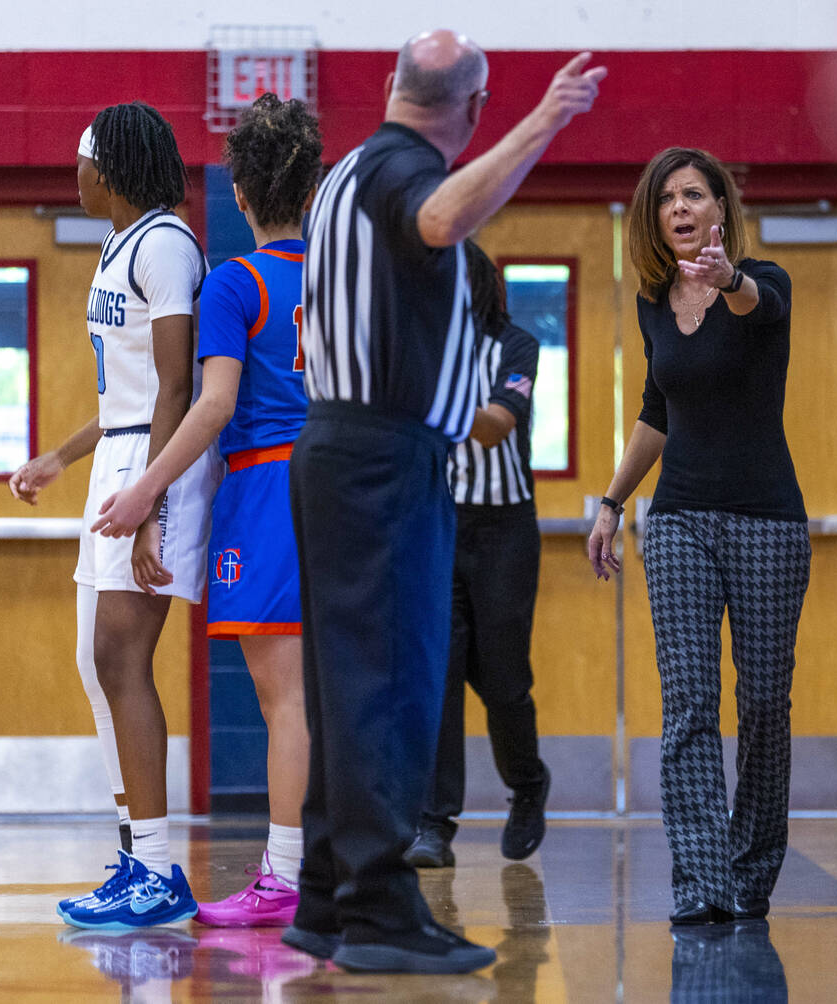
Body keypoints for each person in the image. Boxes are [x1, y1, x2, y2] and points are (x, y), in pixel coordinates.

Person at [286, 30, 603, 974]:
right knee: (391, 682)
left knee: (347, 687)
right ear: (470, 109)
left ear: (392, 85)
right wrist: (543, 122)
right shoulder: (400, 173)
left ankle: (326, 901)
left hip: (343, 451)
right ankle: (382, 913)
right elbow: (437, 217)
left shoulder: (344, 169)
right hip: (382, 457)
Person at [90, 93, 323, 927]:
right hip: (340, 485)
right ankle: (316, 865)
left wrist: (146, 488)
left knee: (283, 699)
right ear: (310, 186)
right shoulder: (332, 279)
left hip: (268, 487)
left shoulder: (235, 281)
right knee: (327, 695)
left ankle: (287, 875)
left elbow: (212, 401)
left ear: (242, 191)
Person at [8, 101, 221, 927]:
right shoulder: (119, 244)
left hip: (152, 467)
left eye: (84, 160)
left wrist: (148, 507)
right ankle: (135, 853)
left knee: (121, 658)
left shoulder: (167, 243)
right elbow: (126, 391)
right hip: (120, 456)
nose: (76, 173)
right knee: (94, 660)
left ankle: (160, 872)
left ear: (117, 168)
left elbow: (175, 386)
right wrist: (62, 456)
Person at [588, 147, 811, 925]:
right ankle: (702, 882)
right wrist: (613, 501)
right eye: (666, 200)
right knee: (687, 703)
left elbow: (760, 307)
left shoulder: (766, 280)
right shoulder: (654, 303)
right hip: (677, 519)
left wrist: (729, 282)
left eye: (693, 194)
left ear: (721, 208)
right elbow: (656, 409)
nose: (679, 209)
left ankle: (751, 875)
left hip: (767, 522)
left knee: (764, 703)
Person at [406, 241, 548, 870]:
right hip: (439, 523)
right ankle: (434, 824)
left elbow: (493, 426)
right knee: (439, 677)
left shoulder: (516, 346)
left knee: (504, 680)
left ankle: (528, 785)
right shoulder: (420, 345)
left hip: (504, 533)